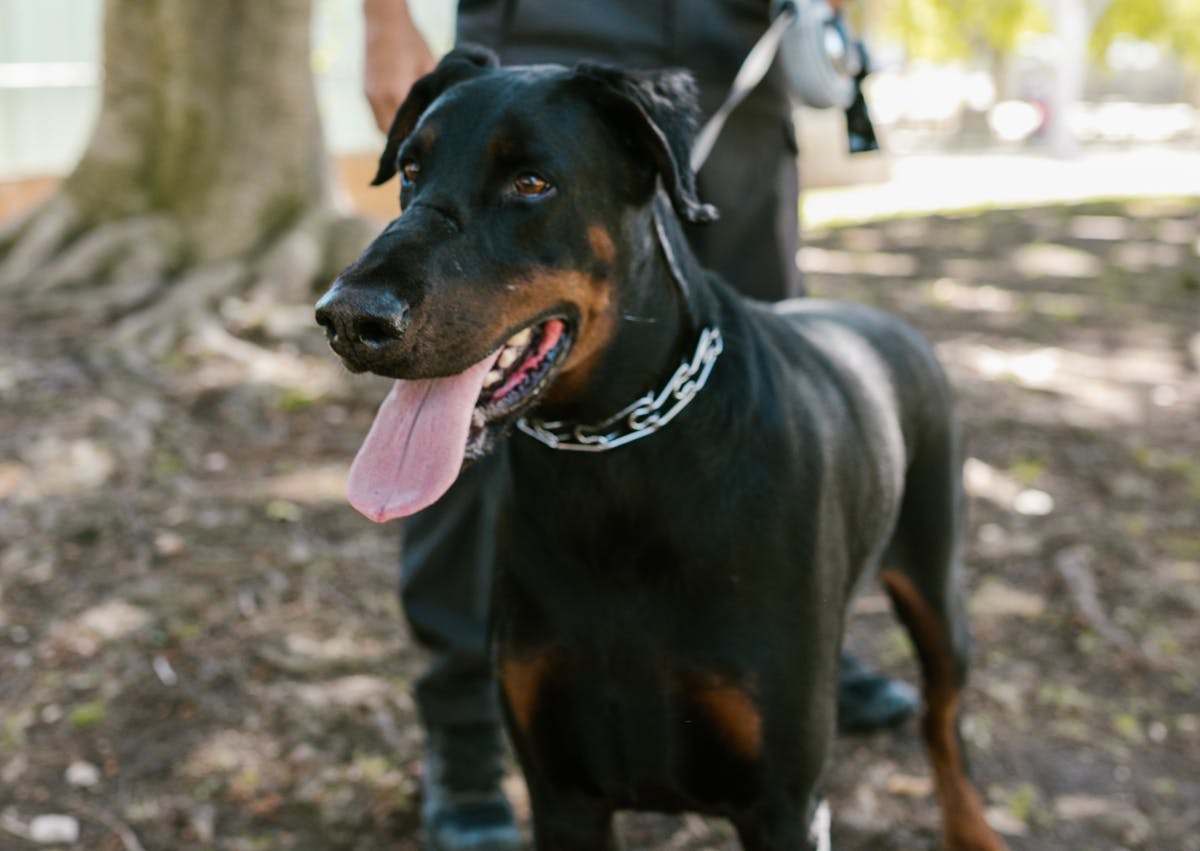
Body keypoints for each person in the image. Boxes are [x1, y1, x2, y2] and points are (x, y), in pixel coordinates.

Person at [361, 2, 916, 848]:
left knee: (771, 401)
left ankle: (791, 655)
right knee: (466, 394)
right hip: (549, 18)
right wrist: (384, 17)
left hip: (736, 35)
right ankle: (468, 734)